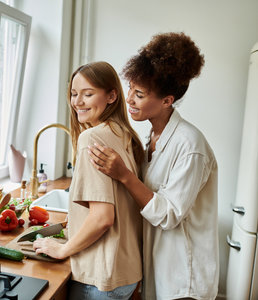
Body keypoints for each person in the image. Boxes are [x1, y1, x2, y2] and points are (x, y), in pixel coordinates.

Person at [88, 32, 219, 300]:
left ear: (167, 101)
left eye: (139, 94)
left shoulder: (190, 146)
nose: (129, 100)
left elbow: (169, 214)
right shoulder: (151, 138)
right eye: (130, 89)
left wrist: (123, 175)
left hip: (184, 280)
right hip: (158, 270)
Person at [33, 61, 144, 299]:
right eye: (74, 94)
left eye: (88, 94)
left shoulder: (92, 138)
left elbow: (103, 218)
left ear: (112, 96)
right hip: (126, 272)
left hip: (98, 277)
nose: (77, 102)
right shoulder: (124, 134)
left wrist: (63, 249)